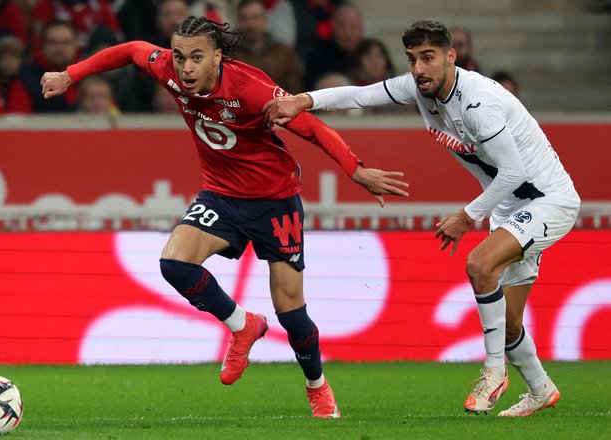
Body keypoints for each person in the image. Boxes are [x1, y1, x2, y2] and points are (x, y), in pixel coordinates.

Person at [40, 15, 409, 418]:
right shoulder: (170, 71)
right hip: (221, 195)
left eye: (196, 57)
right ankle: (242, 325)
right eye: (179, 56)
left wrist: (355, 169)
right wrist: (70, 74)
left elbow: (311, 127)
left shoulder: (251, 90)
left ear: (217, 57)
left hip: (275, 201)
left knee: (291, 313)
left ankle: (317, 387)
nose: (185, 67)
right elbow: (131, 50)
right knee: (174, 263)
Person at [264, 19, 580, 417]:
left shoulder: (479, 103)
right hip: (510, 206)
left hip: (548, 199)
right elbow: (361, 95)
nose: (418, 69)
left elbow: (513, 172)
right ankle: (540, 389)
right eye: (412, 59)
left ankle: (494, 371)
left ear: (451, 57)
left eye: (428, 58)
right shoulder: (417, 88)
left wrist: (466, 217)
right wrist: (304, 100)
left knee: (480, 265)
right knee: (510, 324)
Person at [7, 20, 81, 113]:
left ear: (76, 45)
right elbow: (17, 121)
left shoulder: (90, 73)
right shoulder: (26, 79)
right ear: (43, 45)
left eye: (66, 42)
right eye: (53, 42)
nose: (59, 48)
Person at [234, 0, 303, 94]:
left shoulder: (285, 53)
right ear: (237, 21)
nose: (250, 24)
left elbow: (296, 89)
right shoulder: (229, 54)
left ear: (265, 20)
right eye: (243, 18)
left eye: (255, 18)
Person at [304, 2, 363, 89]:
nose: (348, 33)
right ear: (333, 27)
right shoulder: (319, 56)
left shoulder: (369, 52)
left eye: (354, 27)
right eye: (342, 26)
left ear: (362, 29)